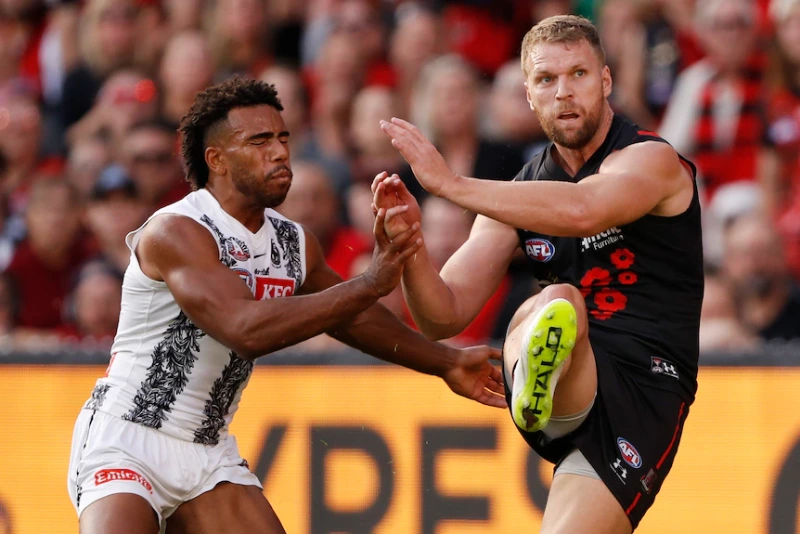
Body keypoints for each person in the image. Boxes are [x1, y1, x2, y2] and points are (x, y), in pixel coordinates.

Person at [66, 76, 505, 534]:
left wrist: (446, 362)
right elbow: (244, 329)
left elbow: (351, 317)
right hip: (128, 438)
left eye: (282, 138)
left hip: (207, 450)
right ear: (215, 159)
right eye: (258, 141)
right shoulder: (176, 231)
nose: (278, 151)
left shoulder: (293, 243)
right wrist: (371, 282)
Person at [374, 15, 703, 533]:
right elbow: (442, 314)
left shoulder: (652, 160)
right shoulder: (516, 194)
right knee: (561, 302)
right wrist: (411, 247)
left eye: (578, 74)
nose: (564, 93)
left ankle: (538, 366)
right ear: (529, 94)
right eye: (547, 80)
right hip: (559, 384)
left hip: (646, 390)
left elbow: (584, 209)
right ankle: (533, 378)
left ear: (607, 81)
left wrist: (450, 183)